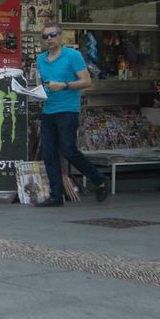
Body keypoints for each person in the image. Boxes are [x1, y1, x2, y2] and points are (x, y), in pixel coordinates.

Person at [34, 20, 108, 205]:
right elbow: (44, 83)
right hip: (48, 109)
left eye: (53, 35)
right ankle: (56, 195)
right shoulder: (41, 59)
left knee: (68, 149)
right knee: (49, 154)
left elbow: (86, 81)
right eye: (45, 36)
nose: (49, 39)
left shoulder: (72, 56)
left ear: (61, 36)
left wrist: (65, 85)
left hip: (67, 109)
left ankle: (98, 179)